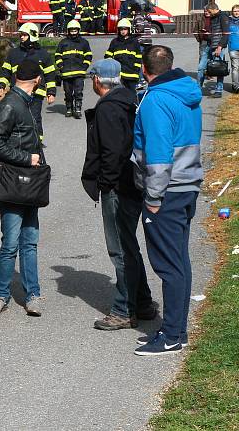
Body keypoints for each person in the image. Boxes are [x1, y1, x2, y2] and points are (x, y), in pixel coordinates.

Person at [133, 45, 203, 356]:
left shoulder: (155, 100)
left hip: (167, 191)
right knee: (179, 262)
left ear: (144, 70)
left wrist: (153, 198)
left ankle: (172, 335)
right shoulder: (187, 92)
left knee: (169, 266)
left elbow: (159, 155)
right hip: (187, 186)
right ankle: (177, 329)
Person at [81, 59, 157, 331]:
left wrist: (105, 183)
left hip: (118, 187)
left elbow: (112, 152)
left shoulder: (109, 108)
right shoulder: (130, 101)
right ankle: (144, 302)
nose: (92, 82)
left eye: (93, 78)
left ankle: (124, 310)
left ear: (98, 81)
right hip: (133, 183)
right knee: (129, 245)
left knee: (120, 250)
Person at [0, 60, 45, 318]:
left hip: (30, 182)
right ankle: (1, 295)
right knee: (11, 243)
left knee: (29, 241)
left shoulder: (27, 103)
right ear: (38, 80)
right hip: (13, 182)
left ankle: (33, 295)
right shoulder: (11, 104)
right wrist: (26, 158)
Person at [0, 22, 57, 142]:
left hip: (36, 94)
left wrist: (51, 92)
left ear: (32, 35)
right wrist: (1, 85)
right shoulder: (13, 54)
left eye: (24, 35)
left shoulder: (43, 55)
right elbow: (6, 71)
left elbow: (50, 75)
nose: (21, 37)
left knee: (34, 117)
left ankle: (36, 142)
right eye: (21, 35)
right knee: (16, 117)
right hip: (17, 93)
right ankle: (17, 140)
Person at [55, 19, 92, 119]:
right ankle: (69, 108)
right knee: (68, 93)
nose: (73, 33)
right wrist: (60, 66)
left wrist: (85, 66)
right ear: (68, 31)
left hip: (79, 73)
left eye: (75, 31)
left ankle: (78, 109)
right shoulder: (63, 42)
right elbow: (57, 55)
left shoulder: (84, 43)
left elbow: (88, 56)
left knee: (78, 92)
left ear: (78, 31)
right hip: (66, 73)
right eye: (71, 31)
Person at [196, 2, 230, 97]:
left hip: (218, 47)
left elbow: (226, 34)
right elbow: (214, 32)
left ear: (214, 9)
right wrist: (207, 33)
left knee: (219, 69)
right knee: (201, 68)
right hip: (208, 45)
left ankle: (219, 90)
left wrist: (219, 47)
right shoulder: (213, 17)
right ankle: (198, 89)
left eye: (210, 12)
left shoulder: (223, 17)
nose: (209, 14)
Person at [105, 18, 143, 94]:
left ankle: (134, 106)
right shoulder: (115, 42)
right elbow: (108, 56)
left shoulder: (134, 42)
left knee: (132, 95)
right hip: (118, 75)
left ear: (129, 30)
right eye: (121, 29)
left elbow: (138, 57)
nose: (123, 31)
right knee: (119, 94)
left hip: (131, 74)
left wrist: (136, 69)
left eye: (125, 29)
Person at [229, 4, 239, 88]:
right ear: (232, 12)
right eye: (235, 11)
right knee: (235, 67)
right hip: (233, 48)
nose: (236, 13)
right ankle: (236, 86)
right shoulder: (228, 21)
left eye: (238, 11)